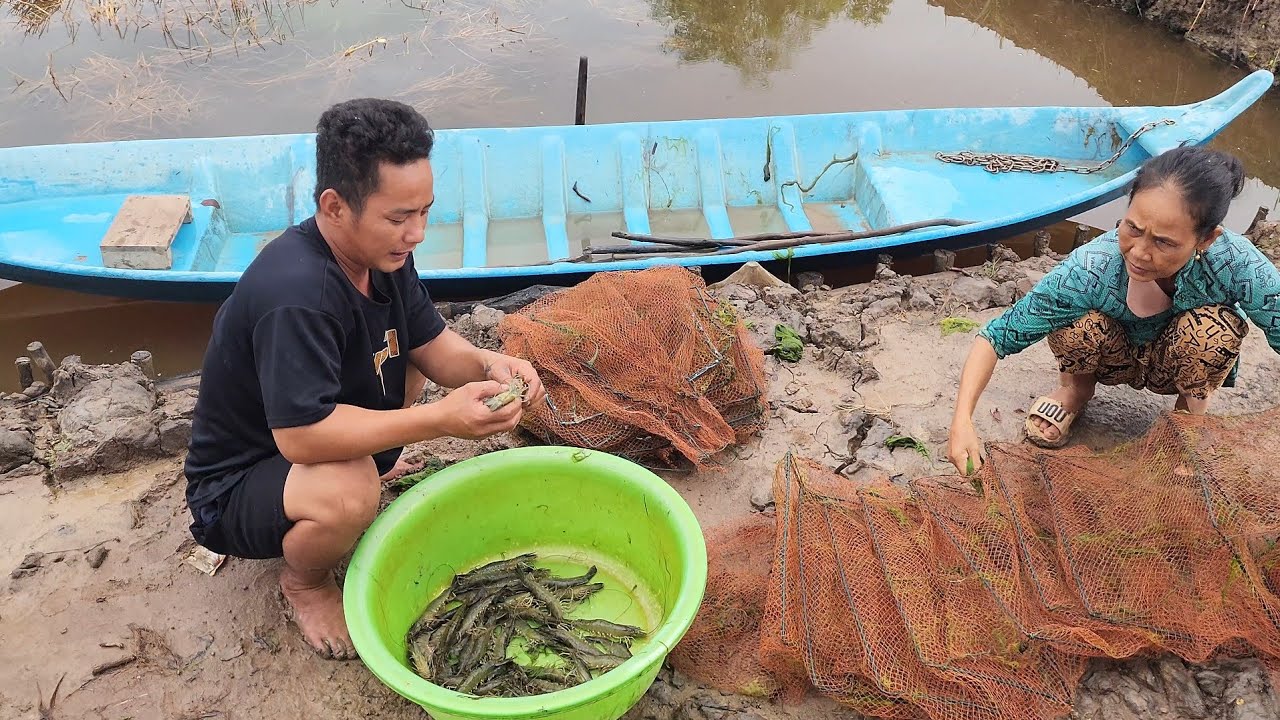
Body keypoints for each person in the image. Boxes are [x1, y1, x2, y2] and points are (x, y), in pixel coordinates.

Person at [183, 98, 546, 661]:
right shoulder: (297, 294)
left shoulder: (383, 256)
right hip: (237, 483)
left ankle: (366, 465)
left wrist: (489, 364)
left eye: (424, 212)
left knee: (406, 364)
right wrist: (441, 421)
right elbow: (299, 439)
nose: (417, 233)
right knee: (352, 492)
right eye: (399, 218)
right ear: (334, 206)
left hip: (308, 437)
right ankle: (305, 582)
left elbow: (433, 345)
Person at [947, 145, 1280, 476]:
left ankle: (1188, 419)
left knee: (1212, 331)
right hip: (1113, 356)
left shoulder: (1237, 265)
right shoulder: (1092, 268)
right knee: (1073, 322)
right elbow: (995, 337)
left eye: (1163, 242)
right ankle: (1076, 389)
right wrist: (961, 421)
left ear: (1206, 240)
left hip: (1181, 363)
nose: (1139, 253)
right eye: (1133, 228)